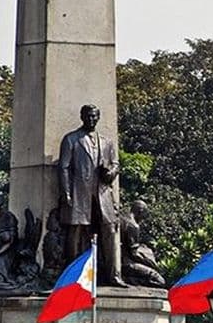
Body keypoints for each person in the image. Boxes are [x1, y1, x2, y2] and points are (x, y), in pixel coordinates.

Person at [58, 104, 127, 287]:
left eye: (94, 116)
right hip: (79, 192)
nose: (91, 119)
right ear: (82, 117)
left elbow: (115, 164)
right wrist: (66, 192)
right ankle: (71, 275)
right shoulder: (71, 139)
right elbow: (64, 168)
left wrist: (111, 173)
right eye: (88, 116)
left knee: (109, 231)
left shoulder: (107, 141)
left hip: (102, 193)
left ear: (99, 118)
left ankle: (113, 275)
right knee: (75, 232)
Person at [121, 200, 166, 287]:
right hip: (127, 264)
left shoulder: (122, 219)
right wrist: (151, 263)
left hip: (120, 260)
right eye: (143, 216)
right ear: (140, 212)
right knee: (159, 281)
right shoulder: (133, 226)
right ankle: (126, 280)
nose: (143, 219)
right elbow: (133, 254)